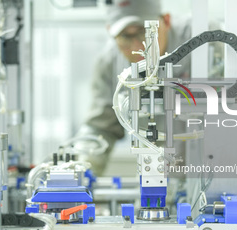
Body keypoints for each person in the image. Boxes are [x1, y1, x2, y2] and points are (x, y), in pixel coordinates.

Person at [76, 0, 192, 174]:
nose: (137, 47)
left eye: (145, 34)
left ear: (166, 21)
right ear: (110, 31)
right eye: (124, 37)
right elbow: (100, 127)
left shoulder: (198, 38)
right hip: (159, 176)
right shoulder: (109, 63)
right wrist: (82, 169)